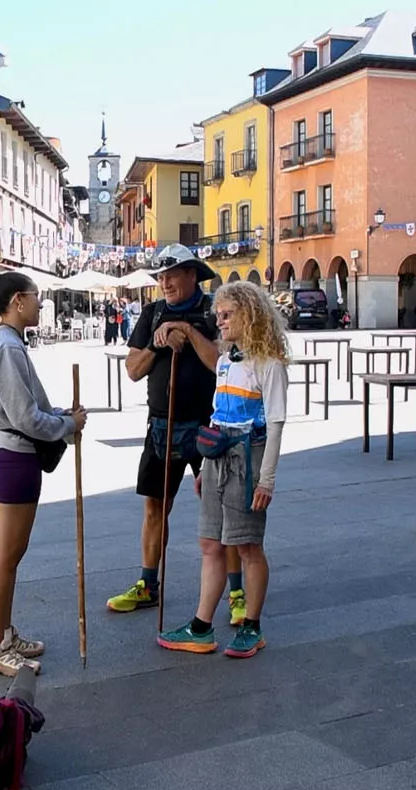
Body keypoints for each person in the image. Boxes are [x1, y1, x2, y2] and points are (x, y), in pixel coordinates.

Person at [106, 244, 244, 626]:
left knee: (224, 514)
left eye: (171, 274)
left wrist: (185, 330)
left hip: (209, 426)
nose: (164, 282)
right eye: (160, 276)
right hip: (161, 426)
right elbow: (133, 369)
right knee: (154, 508)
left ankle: (236, 594)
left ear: (192, 275)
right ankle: (149, 585)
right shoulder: (151, 314)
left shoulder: (215, 310)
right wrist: (158, 341)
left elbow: (223, 363)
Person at [157, 282, 288, 659]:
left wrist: (267, 479)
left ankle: (252, 625)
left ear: (250, 314)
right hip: (218, 456)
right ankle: (201, 626)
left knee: (248, 546)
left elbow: (276, 422)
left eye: (227, 315)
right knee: (210, 544)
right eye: (219, 315)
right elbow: (218, 412)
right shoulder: (228, 359)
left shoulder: (270, 363)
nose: (221, 321)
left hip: (248, 457)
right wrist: (206, 469)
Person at [0, 269, 86, 676]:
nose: (43, 304)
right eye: (38, 297)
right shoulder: (5, 346)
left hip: (18, 459)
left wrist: (61, 416)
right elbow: (24, 417)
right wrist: (67, 426)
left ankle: (3, 634)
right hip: (14, 459)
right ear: (18, 300)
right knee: (4, 558)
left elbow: (30, 409)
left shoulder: (9, 343)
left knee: (12, 555)